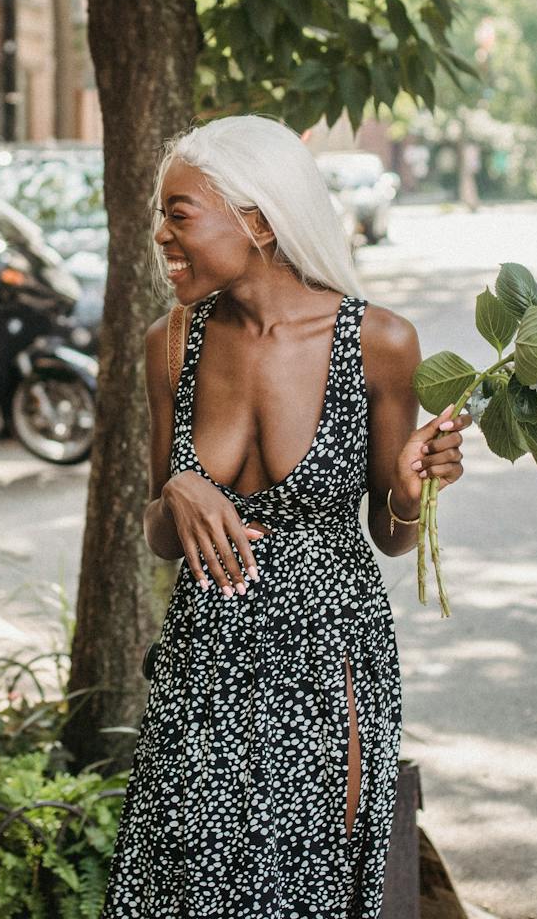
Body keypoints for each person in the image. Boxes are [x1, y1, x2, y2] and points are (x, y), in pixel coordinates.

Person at [104, 115, 468, 918]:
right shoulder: (169, 345)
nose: (160, 234)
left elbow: (391, 533)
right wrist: (177, 493)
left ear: (259, 220)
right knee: (191, 891)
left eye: (180, 213)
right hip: (204, 665)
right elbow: (163, 535)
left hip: (327, 664)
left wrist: (411, 493)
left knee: (306, 892)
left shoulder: (379, 343)